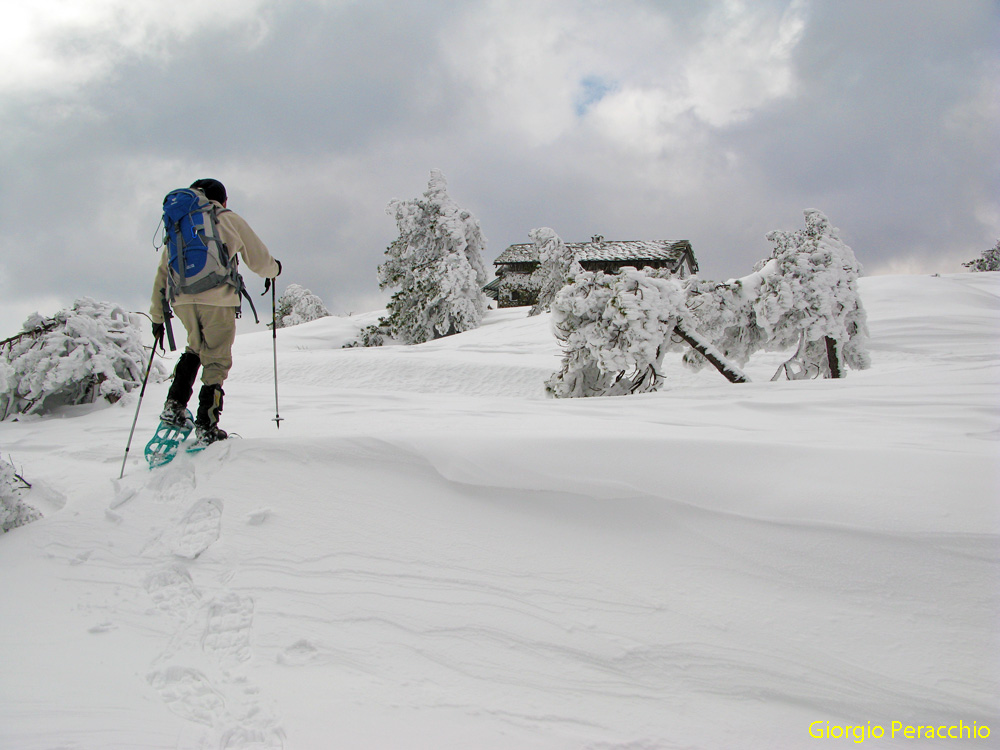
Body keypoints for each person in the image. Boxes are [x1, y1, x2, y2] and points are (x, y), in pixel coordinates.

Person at [150, 178, 281, 444]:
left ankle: (174, 407)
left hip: (182, 300)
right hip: (217, 299)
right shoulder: (227, 218)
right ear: (223, 200)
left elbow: (163, 272)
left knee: (195, 348)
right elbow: (259, 260)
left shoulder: (181, 223)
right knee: (217, 360)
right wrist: (275, 269)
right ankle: (207, 426)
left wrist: (156, 316)